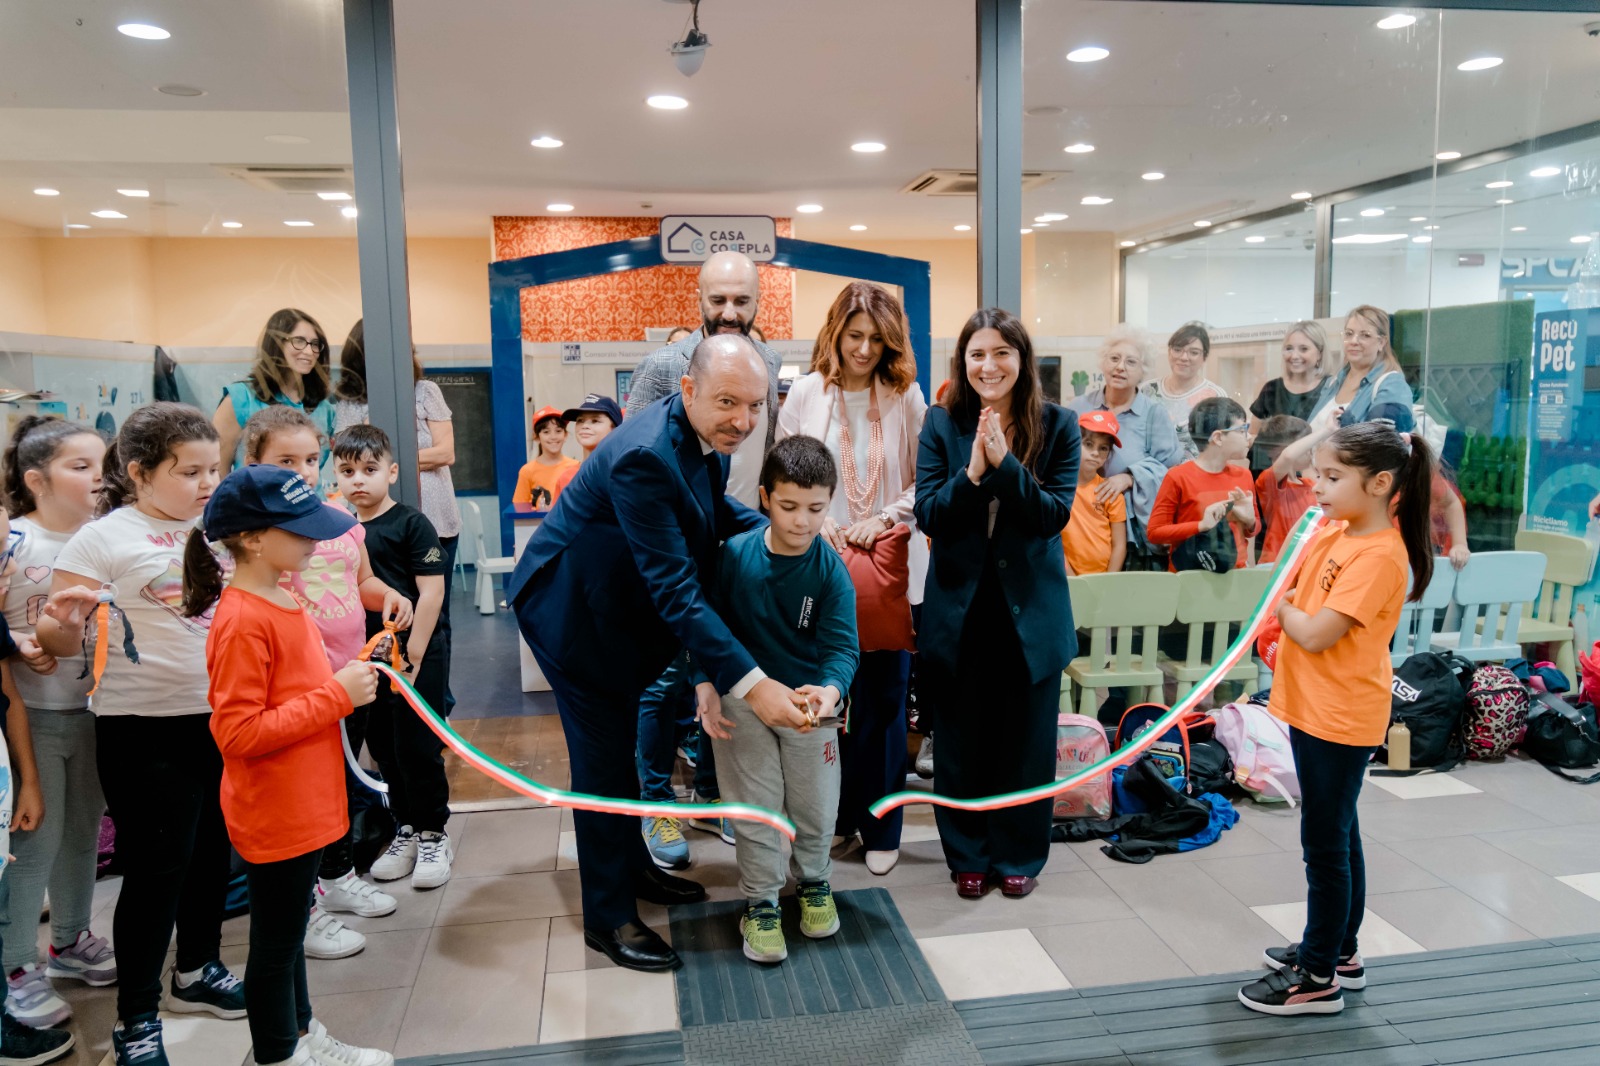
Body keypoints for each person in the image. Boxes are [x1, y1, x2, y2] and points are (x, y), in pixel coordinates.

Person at [507, 333, 813, 973]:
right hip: (572, 615)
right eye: (729, 402)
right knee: (603, 767)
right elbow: (678, 590)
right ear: (688, 390)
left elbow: (704, 512)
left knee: (621, 753)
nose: (744, 421)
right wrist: (755, 687)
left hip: (620, 611)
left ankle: (637, 867)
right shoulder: (643, 456)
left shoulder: (708, 438)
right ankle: (608, 917)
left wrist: (781, 527)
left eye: (756, 406)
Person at [35, 403, 246, 1066]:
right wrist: (65, 623)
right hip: (142, 730)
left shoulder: (217, 527)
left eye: (214, 468)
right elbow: (53, 635)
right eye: (189, 471)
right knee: (159, 870)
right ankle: (136, 1018)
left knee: (214, 854)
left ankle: (197, 971)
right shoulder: (104, 538)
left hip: (221, 720)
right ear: (139, 472)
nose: (207, 482)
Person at [178, 464, 390, 1066]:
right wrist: (336, 697)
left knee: (291, 933)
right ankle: (279, 1053)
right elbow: (237, 731)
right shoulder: (243, 618)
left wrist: (341, 682)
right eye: (298, 530)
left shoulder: (285, 595)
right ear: (250, 538)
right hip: (276, 808)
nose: (313, 541)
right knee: (275, 944)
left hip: (308, 798)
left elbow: (294, 690)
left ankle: (301, 1034)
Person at [1240, 421, 1434, 1016]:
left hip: (1340, 715)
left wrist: (1287, 606)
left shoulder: (1379, 555)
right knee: (1339, 834)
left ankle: (1318, 977)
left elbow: (1317, 630)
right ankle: (1340, 951)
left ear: (1380, 484)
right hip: (1314, 706)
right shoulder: (1339, 531)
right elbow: (1295, 577)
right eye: (1317, 475)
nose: (1315, 487)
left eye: (1331, 477)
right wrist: (1292, 596)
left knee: (1323, 847)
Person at [915, 308, 1078, 901]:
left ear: (1022, 360)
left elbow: (1051, 517)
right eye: (977, 354)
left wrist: (1005, 467)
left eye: (1002, 353)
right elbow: (930, 513)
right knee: (960, 743)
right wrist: (973, 473)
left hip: (1030, 612)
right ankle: (968, 854)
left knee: (1026, 744)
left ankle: (1018, 853)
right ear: (963, 362)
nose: (989, 365)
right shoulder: (941, 423)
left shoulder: (1059, 425)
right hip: (960, 610)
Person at [626, 252, 783, 862]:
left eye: (741, 301)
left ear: (757, 302)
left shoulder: (765, 364)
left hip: (735, 540)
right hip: (670, 546)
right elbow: (632, 460)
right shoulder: (665, 365)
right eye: (717, 299)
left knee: (721, 673)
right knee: (662, 684)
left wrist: (775, 526)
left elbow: (763, 452)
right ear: (698, 297)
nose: (728, 312)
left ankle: (717, 801)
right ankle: (658, 806)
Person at [243, 408, 412, 961]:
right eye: (285, 461)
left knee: (338, 785)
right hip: (299, 692)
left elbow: (358, 579)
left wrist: (387, 595)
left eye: (311, 459)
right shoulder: (258, 537)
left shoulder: (339, 520)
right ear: (254, 465)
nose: (303, 471)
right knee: (304, 796)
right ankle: (308, 901)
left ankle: (338, 877)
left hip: (350, 679)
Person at [777, 281, 927, 876]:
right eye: (853, 336)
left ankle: (881, 824)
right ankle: (833, 820)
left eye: (875, 339)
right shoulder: (807, 395)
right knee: (821, 704)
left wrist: (884, 517)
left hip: (889, 570)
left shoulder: (907, 396)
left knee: (885, 705)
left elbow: (925, 482)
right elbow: (787, 478)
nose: (863, 349)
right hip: (819, 565)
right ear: (834, 334)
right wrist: (826, 524)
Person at [700, 436, 858, 964]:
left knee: (816, 803)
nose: (802, 521)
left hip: (810, 708)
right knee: (756, 807)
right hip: (742, 698)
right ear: (765, 497)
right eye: (789, 506)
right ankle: (762, 902)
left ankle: (814, 881)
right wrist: (705, 687)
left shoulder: (831, 570)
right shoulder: (733, 557)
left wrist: (830, 690)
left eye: (816, 509)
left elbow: (842, 649)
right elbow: (704, 630)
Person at [0, 418, 115, 1032]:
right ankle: (16, 965)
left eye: (102, 464)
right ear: (37, 480)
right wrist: (18, 639)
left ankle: (70, 939)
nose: (98, 477)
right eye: (80, 467)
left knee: (82, 835)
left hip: (92, 715)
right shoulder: (13, 542)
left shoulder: (102, 540)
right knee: (35, 843)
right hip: (32, 719)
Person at [332, 425, 453, 891]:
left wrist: (415, 655)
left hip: (416, 655)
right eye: (347, 471)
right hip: (365, 659)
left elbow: (431, 591)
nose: (358, 480)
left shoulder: (411, 523)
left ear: (392, 471)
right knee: (383, 748)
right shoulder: (339, 531)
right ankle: (404, 828)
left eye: (369, 469)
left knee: (417, 747)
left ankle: (433, 834)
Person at [1067, 327, 1185, 567]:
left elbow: (1171, 473)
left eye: (1131, 362)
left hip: (1134, 538)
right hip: (1079, 533)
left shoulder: (1154, 414)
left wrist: (1130, 477)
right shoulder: (1078, 407)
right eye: (1114, 358)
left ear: (1143, 371)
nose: (1120, 367)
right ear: (1103, 362)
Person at [213, 308, 336, 471]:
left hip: (310, 496)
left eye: (315, 344)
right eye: (298, 341)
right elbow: (218, 468)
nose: (308, 351)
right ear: (276, 343)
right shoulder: (240, 398)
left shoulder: (323, 407)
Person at [1147, 398, 1259, 571]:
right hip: (1191, 575)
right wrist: (1201, 526)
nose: (1249, 436)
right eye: (1242, 429)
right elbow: (1155, 532)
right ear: (1218, 437)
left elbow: (1252, 528)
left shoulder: (1243, 475)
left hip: (1236, 574)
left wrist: (1250, 521)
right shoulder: (1178, 476)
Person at [1306, 305, 1415, 435]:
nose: (1354, 341)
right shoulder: (1333, 382)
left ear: (1381, 342)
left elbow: (1385, 446)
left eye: (1365, 335)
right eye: (1349, 334)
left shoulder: (1392, 385)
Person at [1248, 321, 1327, 475]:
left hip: (1308, 479)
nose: (1294, 356)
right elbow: (1253, 434)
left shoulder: (1330, 388)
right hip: (1268, 477)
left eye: (1303, 349)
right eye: (1289, 348)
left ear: (1320, 353)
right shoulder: (1271, 389)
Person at [1061, 409, 1128, 576]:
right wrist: (1070, 578)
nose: (1096, 453)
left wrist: (1108, 580)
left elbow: (1119, 545)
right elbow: (1051, 538)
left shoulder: (1111, 493)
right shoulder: (1058, 489)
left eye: (1103, 448)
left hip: (1103, 580)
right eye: (1088, 444)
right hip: (1065, 579)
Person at [1147, 322, 1226, 448]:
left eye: (1193, 352)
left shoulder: (1216, 396)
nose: (1184, 357)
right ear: (1169, 352)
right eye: (1177, 350)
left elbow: (1223, 443)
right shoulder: (1147, 390)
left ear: (1204, 357)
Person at [1254, 415, 1317, 565]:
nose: (1310, 451)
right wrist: (1328, 429)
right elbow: (1288, 456)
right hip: (1277, 565)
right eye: (1305, 445)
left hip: (1304, 563)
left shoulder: (1309, 485)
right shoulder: (1268, 482)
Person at [554, 394, 622, 498]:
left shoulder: (622, 474)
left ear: (614, 428)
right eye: (580, 420)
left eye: (595, 421)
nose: (585, 426)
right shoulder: (566, 477)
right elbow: (557, 514)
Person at [512, 406, 577, 508]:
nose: (553, 437)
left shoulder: (576, 467)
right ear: (537, 437)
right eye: (546, 432)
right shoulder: (527, 471)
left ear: (565, 435)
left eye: (558, 431)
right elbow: (519, 510)